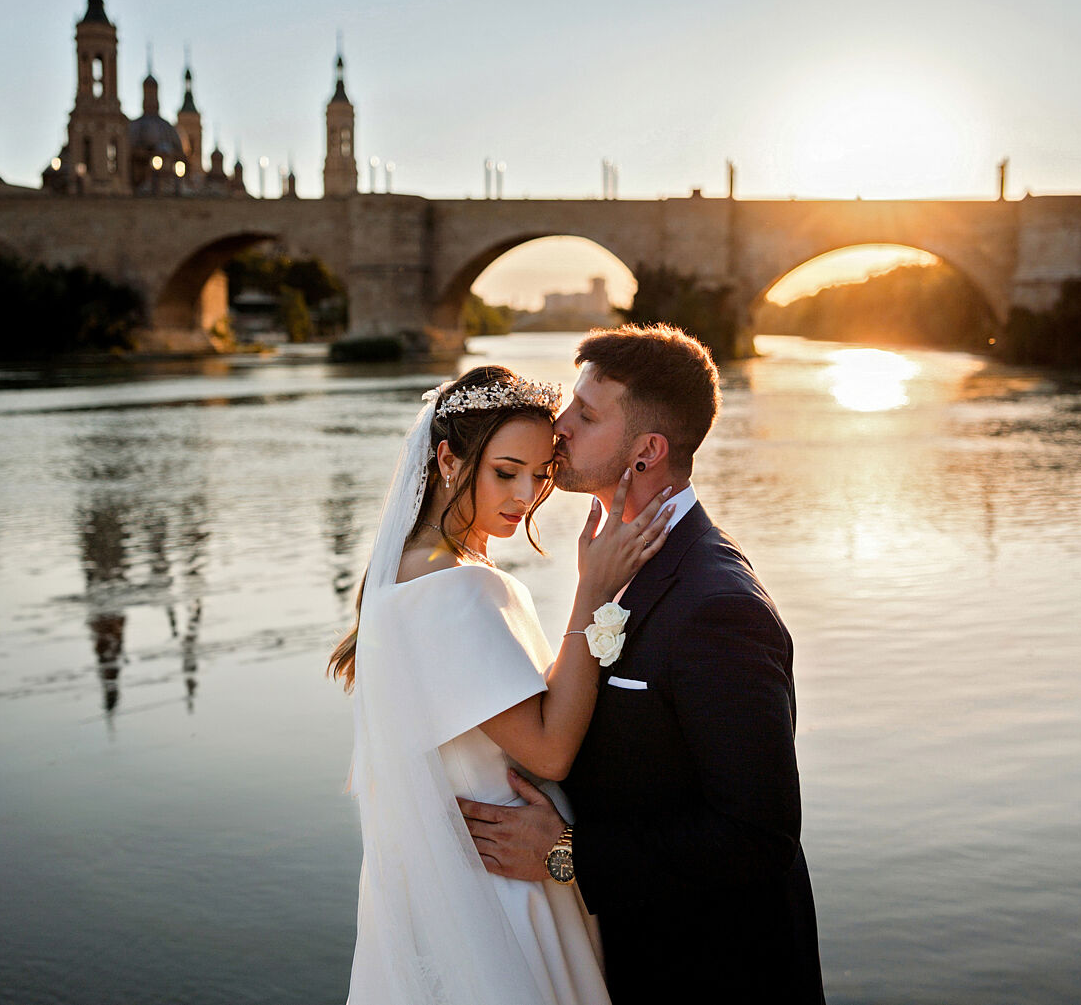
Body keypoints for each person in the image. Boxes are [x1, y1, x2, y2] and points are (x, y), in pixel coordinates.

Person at [459, 325, 828, 1004]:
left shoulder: (718, 606)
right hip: (633, 958)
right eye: (570, 405)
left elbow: (759, 834)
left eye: (586, 415)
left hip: (719, 974)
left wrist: (567, 854)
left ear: (647, 452)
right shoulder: (616, 564)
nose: (557, 427)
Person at [331, 364, 675, 1005]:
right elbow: (547, 751)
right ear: (448, 460)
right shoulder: (457, 588)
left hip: (451, 884)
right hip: (504, 890)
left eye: (541, 475)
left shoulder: (411, 570)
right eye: (505, 471)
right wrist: (592, 592)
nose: (525, 495)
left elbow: (511, 709)